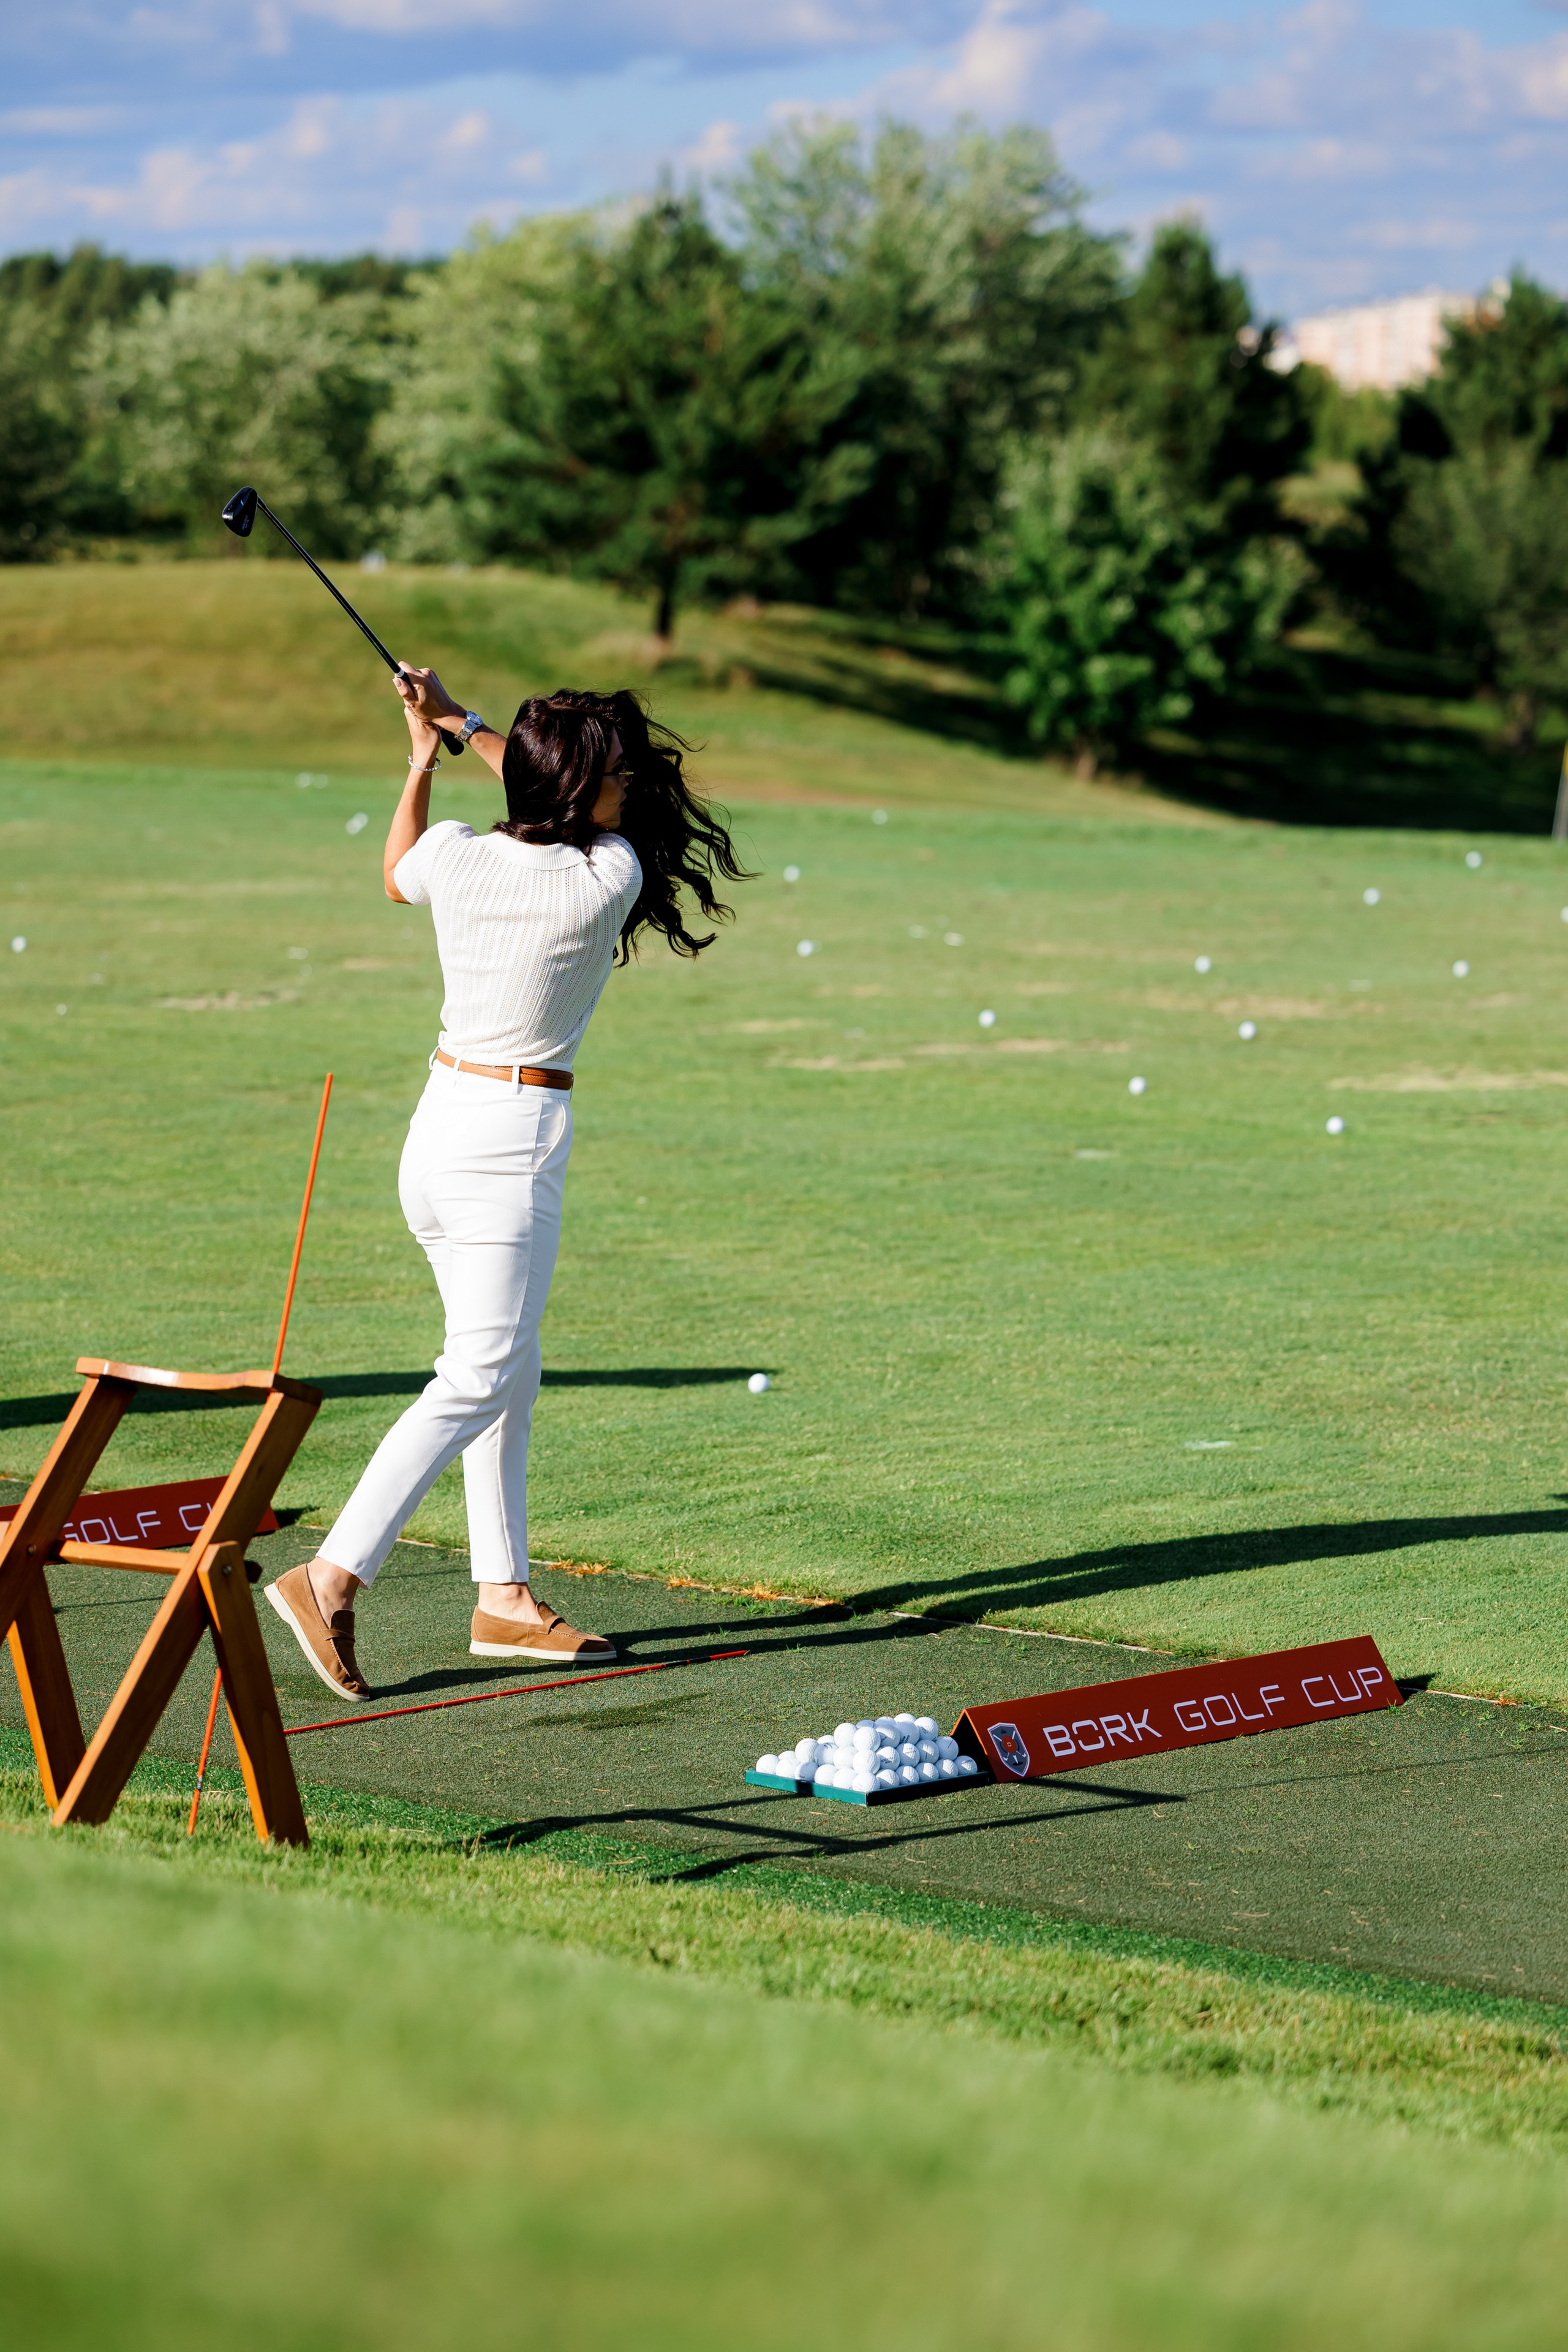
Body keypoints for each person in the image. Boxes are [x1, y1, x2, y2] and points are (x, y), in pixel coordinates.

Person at [265, 665, 746, 1700]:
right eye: (612, 773)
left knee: (505, 1367)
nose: (626, 784)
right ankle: (331, 1576)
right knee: (479, 1373)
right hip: (510, 1146)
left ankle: (505, 1598)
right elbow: (559, 797)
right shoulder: (605, 874)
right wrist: (466, 723)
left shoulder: (454, 853)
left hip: (437, 1133)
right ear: (582, 793)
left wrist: (423, 753)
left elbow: (397, 871)